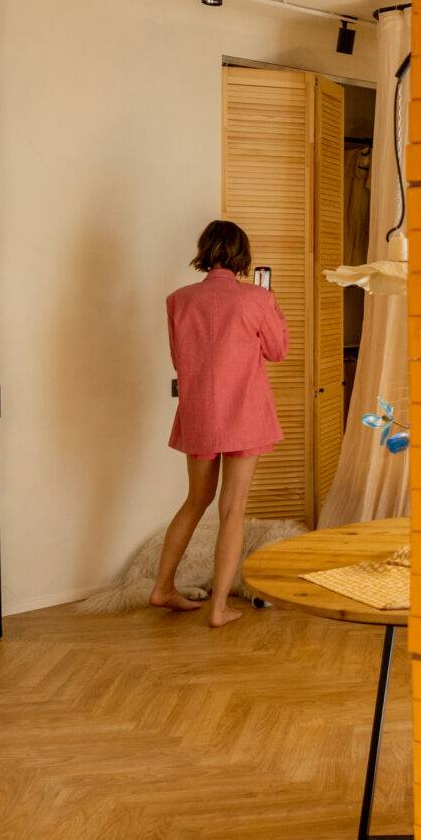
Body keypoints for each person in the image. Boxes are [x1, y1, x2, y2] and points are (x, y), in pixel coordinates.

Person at [151, 219, 288, 626]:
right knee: (234, 509)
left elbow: (180, 360)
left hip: (199, 412)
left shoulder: (178, 300)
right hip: (244, 413)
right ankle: (219, 608)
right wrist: (272, 303)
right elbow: (278, 351)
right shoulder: (257, 299)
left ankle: (161, 587)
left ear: (205, 251)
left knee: (196, 500)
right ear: (242, 256)